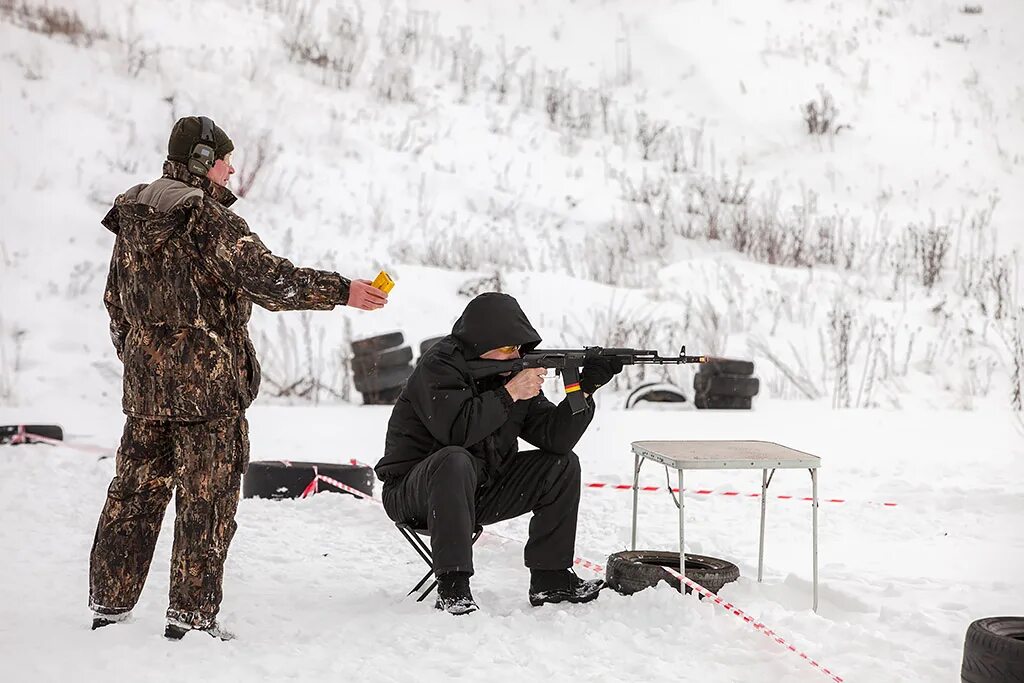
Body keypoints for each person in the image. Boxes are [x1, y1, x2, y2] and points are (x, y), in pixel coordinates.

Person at [88, 115, 388, 639]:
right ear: (202, 161)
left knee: (132, 497)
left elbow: (116, 302)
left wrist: (141, 361)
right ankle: (191, 618)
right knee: (207, 502)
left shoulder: (133, 216)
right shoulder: (207, 220)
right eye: (225, 159)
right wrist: (344, 291)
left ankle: (108, 607)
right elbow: (271, 281)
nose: (231, 170)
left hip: (146, 394)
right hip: (209, 399)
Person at [375, 292, 623, 614]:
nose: (516, 355)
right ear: (481, 341)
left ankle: (551, 580)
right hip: (414, 493)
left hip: (479, 488)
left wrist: (583, 389)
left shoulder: (508, 373)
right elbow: (456, 433)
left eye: (519, 348)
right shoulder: (438, 367)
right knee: (454, 459)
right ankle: (453, 589)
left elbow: (555, 438)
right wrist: (509, 394)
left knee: (561, 466)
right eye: (508, 348)